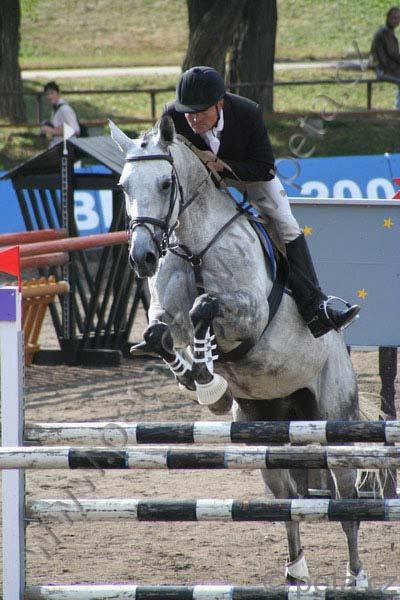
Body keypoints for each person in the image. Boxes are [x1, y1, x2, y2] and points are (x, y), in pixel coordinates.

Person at [163, 66, 360, 338]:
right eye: (189, 112)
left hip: (248, 174)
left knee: (285, 223)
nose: (194, 119)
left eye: (201, 112)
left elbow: (265, 167)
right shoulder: (172, 115)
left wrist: (223, 166)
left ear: (220, 104)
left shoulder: (248, 112)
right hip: (200, 181)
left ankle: (316, 307)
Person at [370, 6, 400, 109]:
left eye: (398, 18)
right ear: (387, 17)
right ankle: (398, 110)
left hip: (387, 68)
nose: (396, 21)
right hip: (383, 70)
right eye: (393, 18)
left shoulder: (388, 31)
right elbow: (394, 54)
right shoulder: (385, 32)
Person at [40, 81, 80, 146]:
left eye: (52, 93)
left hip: (67, 147)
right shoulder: (55, 109)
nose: (49, 97)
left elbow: (76, 131)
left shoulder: (65, 109)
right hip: (57, 146)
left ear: (58, 94)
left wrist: (52, 131)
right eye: (47, 94)